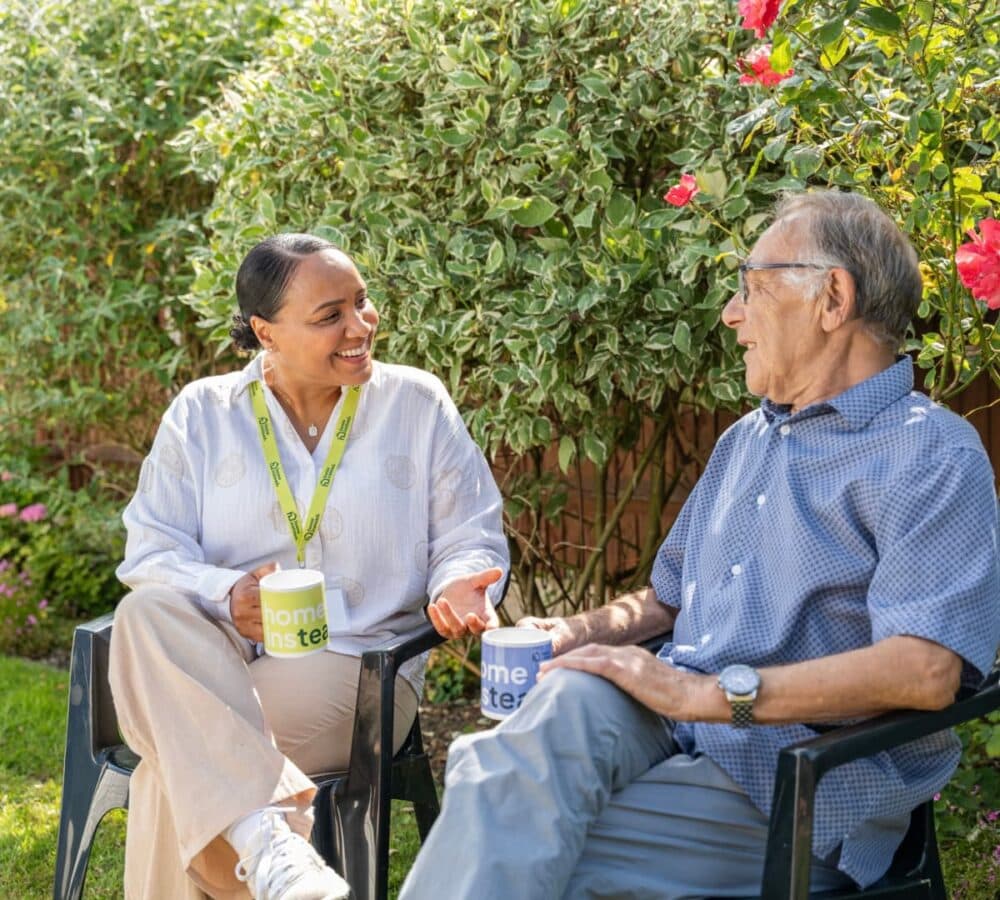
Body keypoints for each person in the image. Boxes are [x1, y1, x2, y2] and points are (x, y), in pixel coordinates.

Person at [398, 191, 1000, 899]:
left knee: (523, 841)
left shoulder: (929, 455)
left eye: (752, 288)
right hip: (675, 720)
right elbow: (669, 599)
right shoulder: (748, 439)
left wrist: (709, 694)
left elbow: (925, 670)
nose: (731, 314)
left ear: (833, 299)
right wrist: (572, 630)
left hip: (796, 774)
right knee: (521, 754)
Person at [108, 234, 509, 900]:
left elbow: (469, 533)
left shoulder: (415, 404)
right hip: (217, 658)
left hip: (359, 667)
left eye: (361, 302)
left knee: (173, 774)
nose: (360, 326)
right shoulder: (201, 416)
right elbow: (149, 553)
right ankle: (271, 852)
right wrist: (227, 594)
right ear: (266, 332)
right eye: (330, 316)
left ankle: (269, 845)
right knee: (144, 609)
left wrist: (460, 580)